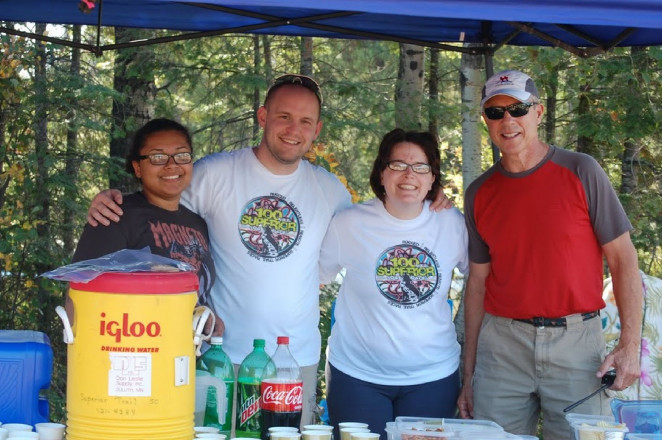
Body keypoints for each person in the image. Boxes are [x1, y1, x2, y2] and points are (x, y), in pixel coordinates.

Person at [86, 75, 453, 427]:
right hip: (220, 355)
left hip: (296, 359)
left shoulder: (330, 192)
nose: (294, 130)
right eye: (284, 117)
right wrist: (113, 200)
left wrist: (429, 194)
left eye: (305, 121)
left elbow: (379, 225)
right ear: (263, 117)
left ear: (317, 129)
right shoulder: (215, 174)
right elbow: (162, 196)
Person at [457, 70, 643, 440]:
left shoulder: (581, 171)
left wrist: (629, 347)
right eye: (495, 113)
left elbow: (624, 260)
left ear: (538, 113)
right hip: (502, 348)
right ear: (486, 122)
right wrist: (470, 373)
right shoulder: (479, 193)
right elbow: (477, 285)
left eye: (518, 109)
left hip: (577, 345)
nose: (507, 121)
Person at [320, 129, 468, 440]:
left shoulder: (452, 223)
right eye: (398, 164)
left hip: (433, 377)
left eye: (421, 167)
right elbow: (315, 280)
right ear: (381, 172)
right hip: (357, 376)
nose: (409, 175)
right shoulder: (348, 223)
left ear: (433, 178)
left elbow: (483, 282)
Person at [68, 118, 217, 324]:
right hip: (132, 349)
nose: (172, 165)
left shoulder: (198, 224)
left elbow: (192, 293)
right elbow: (77, 296)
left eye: (181, 155)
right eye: (158, 157)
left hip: (184, 352)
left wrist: (205, 316)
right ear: (137, 167)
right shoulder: (114, 215)